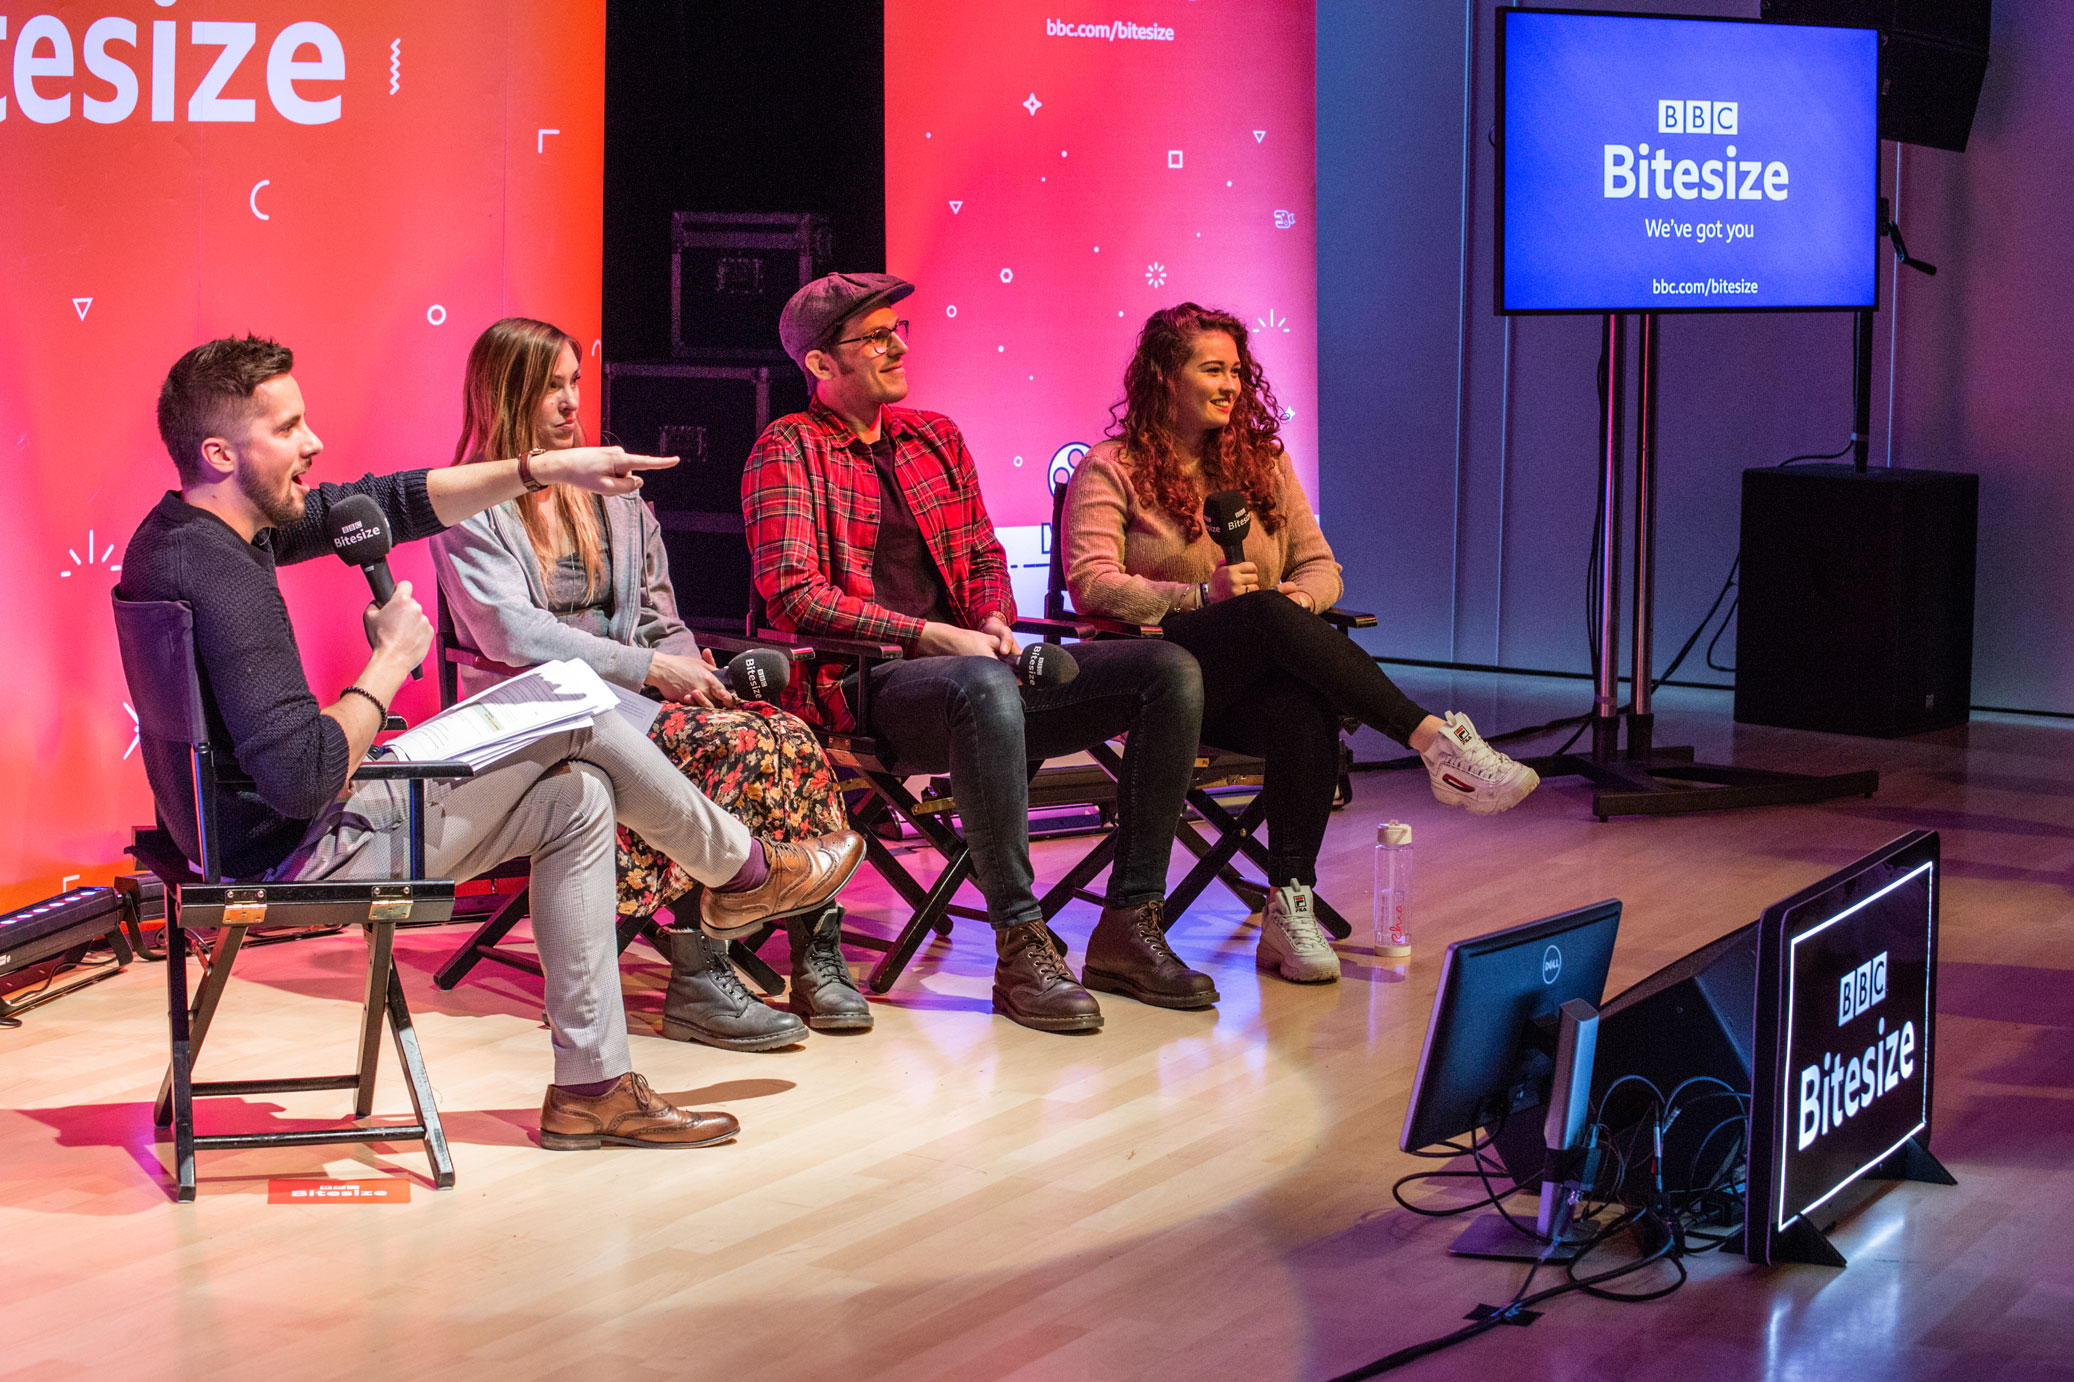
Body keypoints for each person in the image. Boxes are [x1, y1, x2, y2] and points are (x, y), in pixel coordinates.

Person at [117, 335, 863, 1150]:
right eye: (290, 428)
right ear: (222, 450)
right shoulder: (221, 579)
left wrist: (542, 469)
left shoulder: (189, 533)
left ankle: (593, 1087)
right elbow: (302, 778)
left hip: (248, 829)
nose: (314, 444)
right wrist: (388, 664)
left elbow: (388, 502)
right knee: (581, 713)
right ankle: (747, 872)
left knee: (578, 797)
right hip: (297, 848)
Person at [742, 273, 1210, 1034]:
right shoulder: (787, 449)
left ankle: (1130, 922)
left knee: (1168, 672)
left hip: (977, 671)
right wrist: (929, 636)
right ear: (822, 365)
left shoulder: (935, 436)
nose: (897, 344)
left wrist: (993, 615)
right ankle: (1022, 944)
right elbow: (793, 595)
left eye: (899, 329)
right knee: (980, 686)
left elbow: (985, 554)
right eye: (875, 337)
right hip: (867, 685)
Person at [1063, 303, 1539, 985]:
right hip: (1152, 674)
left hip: (1238, 684)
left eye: (1236, 370)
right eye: (1211, 369)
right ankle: (1433, 740)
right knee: (1260, 615)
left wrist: (1300, 601)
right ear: (1166, 377)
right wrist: (1202, 598)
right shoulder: (1112, 467)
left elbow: (1321, 566)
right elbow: (1092, 583)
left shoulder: (1264, 464)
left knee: (1300, 700)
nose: (1230, 384)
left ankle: (1290, 900)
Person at [433, 317, 868, 1050]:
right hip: (538, 710)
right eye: (550, 387)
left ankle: (814, 947)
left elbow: (659, 620)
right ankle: (700, 970)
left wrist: (691, 675)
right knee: (725, 750)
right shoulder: (465, 503)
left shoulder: (614, 497)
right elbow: (511, 635)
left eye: (574, 382)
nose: (572, 403)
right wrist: (649, 671)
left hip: (634, 701)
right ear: (506, 394)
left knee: (783, 730)